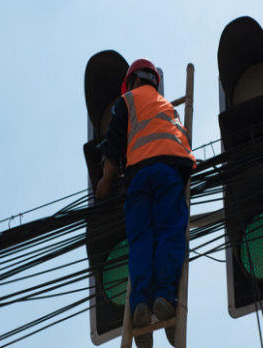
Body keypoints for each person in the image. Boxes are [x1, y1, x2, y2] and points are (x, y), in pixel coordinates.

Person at [96, 58, 196, 348]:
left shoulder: (127, 100)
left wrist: (105, 179)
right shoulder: (170, 108)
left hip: (138, 177)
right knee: (169, 233)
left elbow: (114, 142)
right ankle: (165, 297)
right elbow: (182, 143)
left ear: (134, 81)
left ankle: (140, 304)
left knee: (141, 241)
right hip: (169, 173)